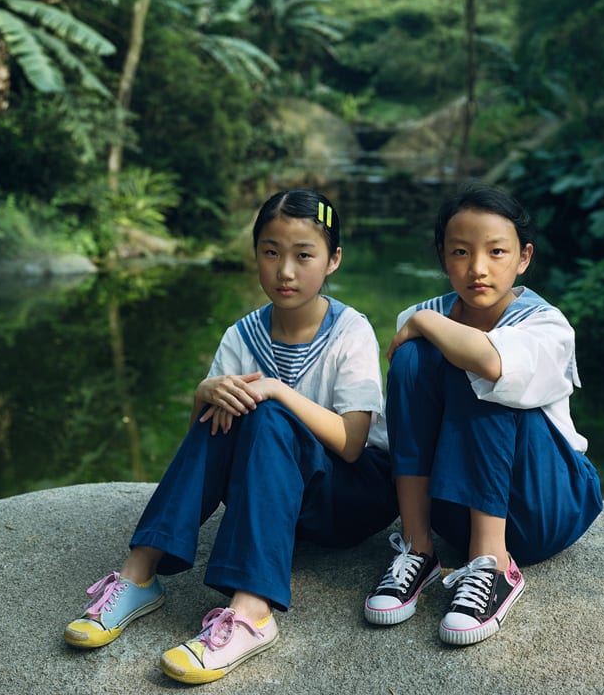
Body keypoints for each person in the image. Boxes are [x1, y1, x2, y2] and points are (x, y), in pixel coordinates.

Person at [64, 189, 397, 683]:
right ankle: (138, 576)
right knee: (226, 406)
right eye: (271, 252)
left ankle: (251, 613)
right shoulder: (242, 335)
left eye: (304, 255)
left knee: (264, 410)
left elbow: (352, 442)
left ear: (333, 261)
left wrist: (278, 391)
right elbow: (210, 444)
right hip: (277, 498)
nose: (285, 270)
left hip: (349, 494)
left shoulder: (351, 331)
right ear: (256, 254)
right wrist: (205, 392)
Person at [363, 182, 602, 646]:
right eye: (460, 252)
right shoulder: (418, 318)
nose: (478, 268)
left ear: (524, 257)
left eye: (496, 252)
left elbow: (492, 362)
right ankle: (418, 549)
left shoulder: (545, 323)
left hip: (545, 503)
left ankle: (494, 565)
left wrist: (426, 323)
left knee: (476, 363)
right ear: (442, 256)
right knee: (413, 359)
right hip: (458, 507)